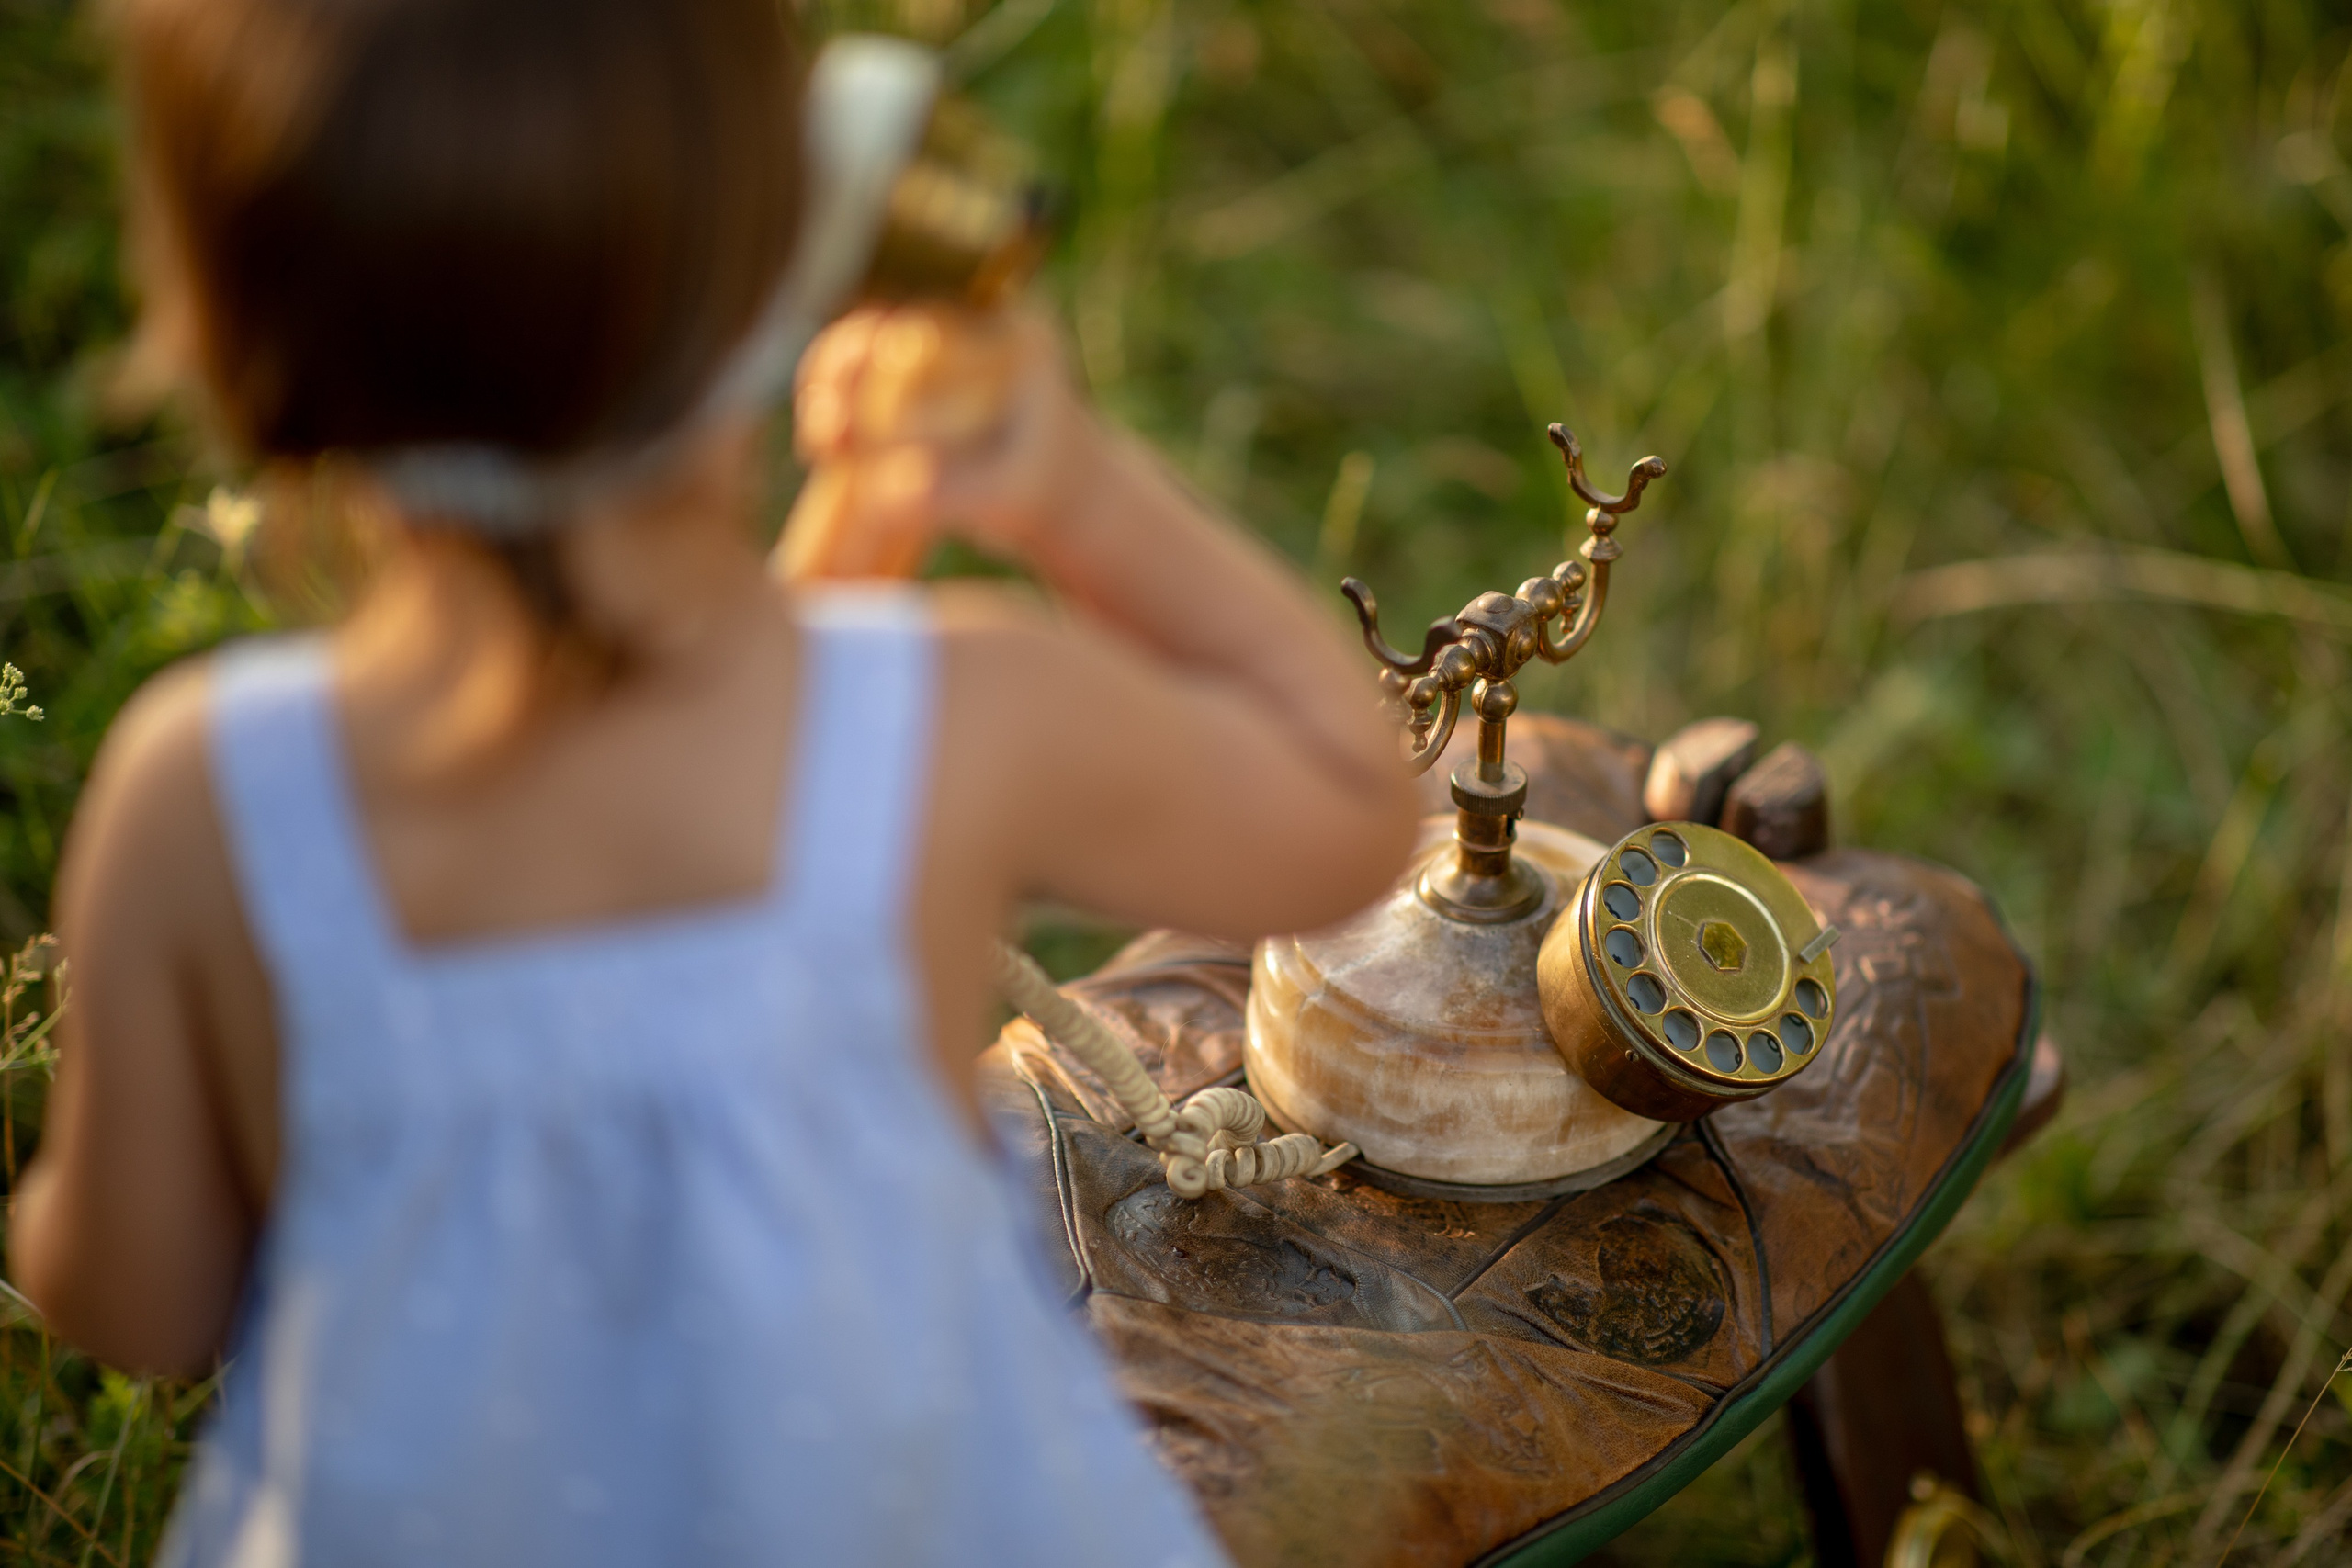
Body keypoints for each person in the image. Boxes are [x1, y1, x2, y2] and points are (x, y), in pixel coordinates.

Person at [5, 0, 1419, 1562]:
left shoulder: (208, 795)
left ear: (226, 331)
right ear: (783, 265)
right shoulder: (960, 712)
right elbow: (1345, 809)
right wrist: (1069, 485)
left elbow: (138, 1298)